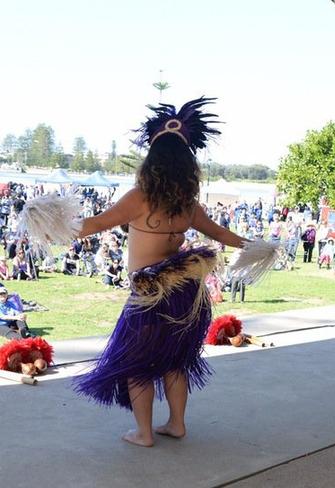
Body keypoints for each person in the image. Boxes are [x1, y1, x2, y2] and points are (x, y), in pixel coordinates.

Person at [72, 98, 247, 447]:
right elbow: (223, 235)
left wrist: (53, 222)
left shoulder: (139, 197)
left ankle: (144, 432)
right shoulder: (188, 204)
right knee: (174, 362)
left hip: (150, 293)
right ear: (186, 165)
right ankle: (177, 424)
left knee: (137, 362)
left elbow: (94, 225)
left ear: (152, 162)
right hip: (185, 294)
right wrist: (256, 246)